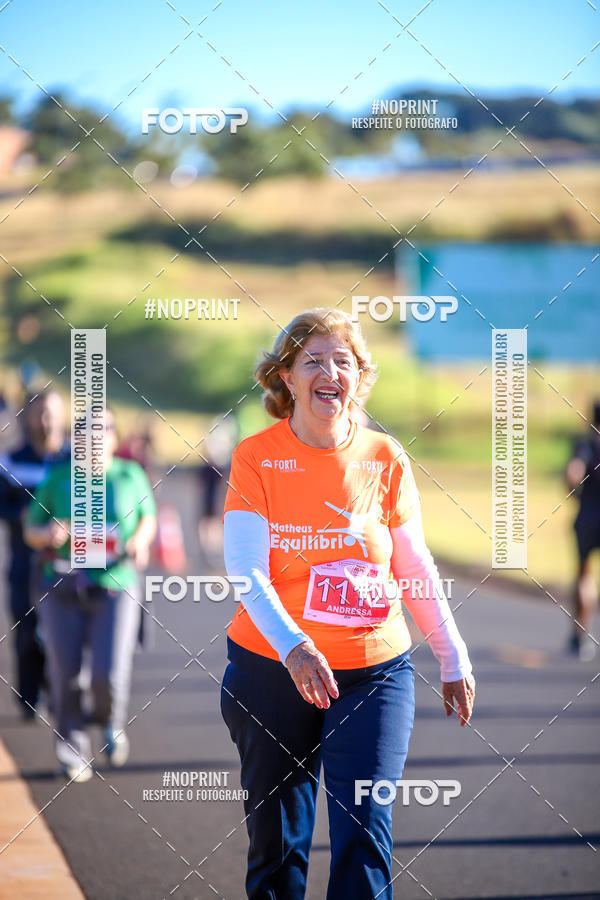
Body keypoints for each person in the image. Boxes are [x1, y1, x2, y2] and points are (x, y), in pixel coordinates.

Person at [220, 308, 475, 900]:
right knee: (278, 847)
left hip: (373, 672)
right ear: (286, 377)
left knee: (365, 835)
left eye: (343, 361)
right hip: (272, 669)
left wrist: (453, 655)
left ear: (360, 377)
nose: (329, 372)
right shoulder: (257, 458)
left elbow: (413, 567)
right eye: (312, 360)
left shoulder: (385, 457)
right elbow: (245, 569)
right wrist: (295, 647)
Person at [24, 408, 156, 781]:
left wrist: (139, 542)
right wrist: (48, 533)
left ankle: (110, 722)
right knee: (65, 673)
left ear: (115, 437)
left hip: (116, 585)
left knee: (108, 674)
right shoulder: (60, 477)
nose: (95, 439)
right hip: (62, 585)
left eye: (103, 431)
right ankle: (71, 748)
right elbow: (30, 528)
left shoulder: (130, 475)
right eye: (86, 432)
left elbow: (148, 518)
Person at [0, 389, 69, 719]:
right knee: (26, 631)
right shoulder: (10, 461)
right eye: (40, 413)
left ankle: (60, 693)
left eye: (52, 413)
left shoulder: (75, 460)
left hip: (66, 566)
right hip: (24, 564)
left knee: (62, 632)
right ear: (28, 417)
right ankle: (29, 698)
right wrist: (28, 519)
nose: (47, 421)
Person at [565, 400, 600, 661]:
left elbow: (573, 473)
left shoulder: (587, 443)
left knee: (584, 575)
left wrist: (573, 493)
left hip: (587, 518)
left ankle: (579, 635)